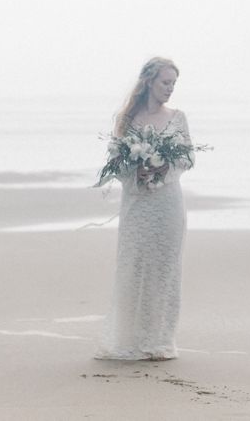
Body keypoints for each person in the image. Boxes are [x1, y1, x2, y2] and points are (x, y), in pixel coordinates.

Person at [94, 56, 193, 361]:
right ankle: (130, 339)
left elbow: (188, 159)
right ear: (149, 81)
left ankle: (159, 340)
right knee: (133, 267)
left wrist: (161, 171)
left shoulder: (178, 117)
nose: (170, 89)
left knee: (164, 270)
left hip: (168, 205)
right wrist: (136, 173)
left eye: (174, 84)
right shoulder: (127, 119)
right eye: (165, 82)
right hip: (137, 203)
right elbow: (115, 163)